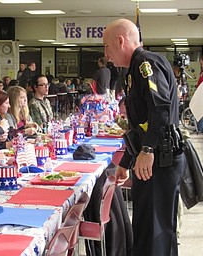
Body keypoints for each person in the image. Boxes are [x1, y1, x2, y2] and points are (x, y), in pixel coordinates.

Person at [103, 19, 185, 256]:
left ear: (120, 41)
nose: (106, 54)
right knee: (150, 229)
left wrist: (147, 150)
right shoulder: (134, 69)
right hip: (151, 159)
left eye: (107, 47)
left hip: (159, 159)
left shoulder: (145, 64)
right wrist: (126, 162)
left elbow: (160, 108)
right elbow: (140, 124)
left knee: (154, 233)